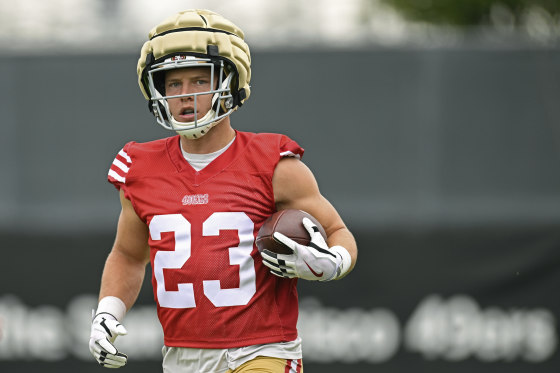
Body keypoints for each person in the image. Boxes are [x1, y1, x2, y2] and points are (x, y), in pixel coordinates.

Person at [89, 9, 357, 373]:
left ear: (231, 83)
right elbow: (129, 255)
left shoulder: (274, 163)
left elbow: (338, 232)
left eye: (200, 80)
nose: (185, 95)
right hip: (182, 357)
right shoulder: (140, 168)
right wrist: (107, 311)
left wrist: (332, 262)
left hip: (263, 350)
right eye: (173, 84)